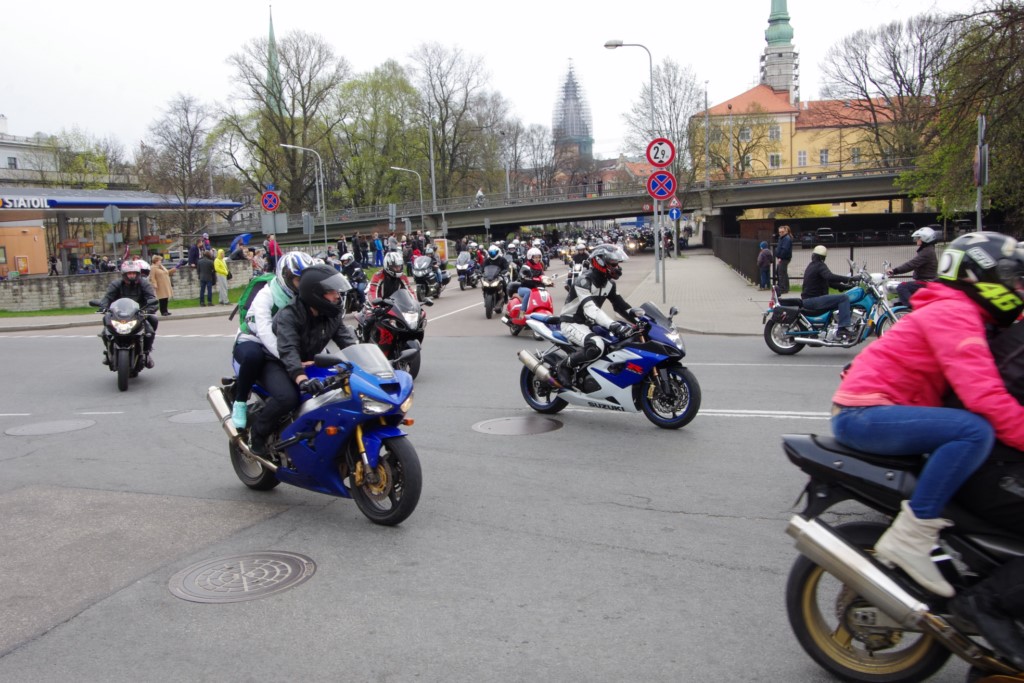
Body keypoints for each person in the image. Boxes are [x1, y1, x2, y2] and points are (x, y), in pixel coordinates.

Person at [831, 231, 1024, 598]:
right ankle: (911, 536)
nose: (1017, 289)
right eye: (1012, 279)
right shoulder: (955, 314)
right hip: (864, 413)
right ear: (982, 276)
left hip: (870, 408)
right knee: (973, 431)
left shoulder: (959, 310)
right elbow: (984, 396)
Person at [248, 265, 358, 457]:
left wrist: (376, 366)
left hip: (308, 361)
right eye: (332, 292)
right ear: (316, 294)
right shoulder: (290, 315)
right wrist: (301, 379)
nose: (337, 296)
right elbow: (288, 349)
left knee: (341, 392)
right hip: (275, 362)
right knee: (287, 397)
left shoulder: (331, 316)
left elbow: (349, 344)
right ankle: (257, 433)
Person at [231, 251, 313, 429]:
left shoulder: (304, 297)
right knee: (254, 356)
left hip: (284, 343)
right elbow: (265, 332)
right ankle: (240, 401)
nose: (303, 285)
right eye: (299, 280)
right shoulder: (266, 295)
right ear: (286, 278)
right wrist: (291, 360)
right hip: (253, 341)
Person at [555, 244, 636, 387]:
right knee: (597, 346)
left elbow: (621, 306)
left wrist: (642, 319)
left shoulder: (609, 284)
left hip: (590, 324)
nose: (617, 267)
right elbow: (590, 309)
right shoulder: (583, 281)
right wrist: (613, 325)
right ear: (600, 262)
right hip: (572, 322)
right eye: (613, 264)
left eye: (617, 264)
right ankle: (563, 366)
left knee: (619, 342)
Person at [97, 260, 159, 368]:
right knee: (105, 329)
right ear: (124, 274)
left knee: (151, 326)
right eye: (129, 273)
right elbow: (108, 298)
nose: (132, 276)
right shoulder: (116, 284)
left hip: (139, 313)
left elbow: (151, 298)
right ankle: (109, 352)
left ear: (138, 274)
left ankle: (147, 352)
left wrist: (150, 309)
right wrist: (103, 307)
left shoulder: (144, 284)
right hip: (118, 313)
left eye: (134, 273)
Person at [802, 245, 858, 341]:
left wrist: (846, 287)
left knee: (841, 298)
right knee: (843, 298)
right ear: (823, 257)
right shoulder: (819, 265)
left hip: (810, 300)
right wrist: (849, 279)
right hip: (813, 300)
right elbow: (829, 276)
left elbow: (829, 282)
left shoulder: (812, 266)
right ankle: (843, 328)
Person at [887, 226, 939, 307]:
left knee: (902, 287)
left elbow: (911, 264)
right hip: (925, 281)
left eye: (918, 238)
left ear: (925, 239)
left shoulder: (927, 252)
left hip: (925, 282)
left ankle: (913, 308)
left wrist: (894, 270)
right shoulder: (928, 250)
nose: (916, 240)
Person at [513, 247, 544, 319]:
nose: (537, 259)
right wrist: (524, 277)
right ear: (530, 257)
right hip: (524, 287)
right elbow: (521, 274)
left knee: (544, 292)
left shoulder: (539, 266)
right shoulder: (526, 266)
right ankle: (522, 311)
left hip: (535, 287)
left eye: (538, 257)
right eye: (535, 257)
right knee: (528, 291)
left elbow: (542, 276)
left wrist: (547, 280)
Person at [776, 225, 793, 293]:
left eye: (782, 232)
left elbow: (784, 249)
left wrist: (780, 257)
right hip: (783, 258)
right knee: (783, 273)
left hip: (784, 258)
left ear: (785, 231)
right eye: (780, 232)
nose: (781, 233)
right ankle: (785, 288)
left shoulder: (786, 239)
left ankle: (783, 288)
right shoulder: (782, 238)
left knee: (781, 273)